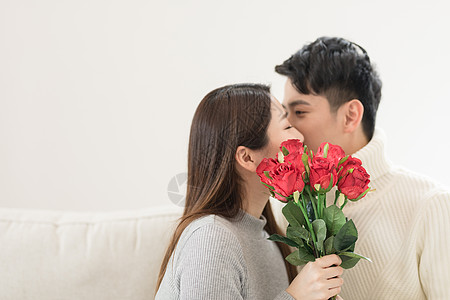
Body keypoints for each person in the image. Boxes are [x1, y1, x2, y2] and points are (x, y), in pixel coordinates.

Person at [275, 36, 450, 299]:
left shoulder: (430, 205)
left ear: (350, 116)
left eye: (299, 112)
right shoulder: (285, 207)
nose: (287, 127)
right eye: (284, 114)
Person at [155, 84, 344, 300]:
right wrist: (295, 297)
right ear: (246, 158)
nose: (300, 137)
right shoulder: (211, 238)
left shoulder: (267, 237)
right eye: (287, 126)